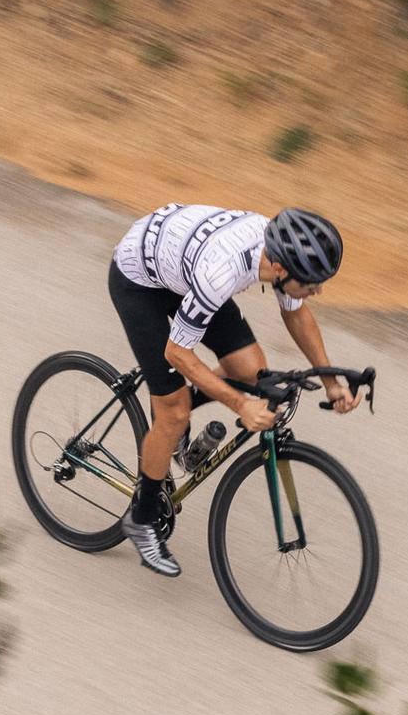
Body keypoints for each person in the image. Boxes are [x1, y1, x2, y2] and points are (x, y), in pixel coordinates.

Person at [109, 204, 361, 577]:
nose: (318, 290)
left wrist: (331, 383)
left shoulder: (279, 256)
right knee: (174, 411)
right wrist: (241, 405)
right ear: (280, 270)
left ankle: (175, 426)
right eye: (310, 283)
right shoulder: (223, 271)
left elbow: (296, 314)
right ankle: (141, 519)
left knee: (251, 370)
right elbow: (177, 352)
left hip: (183, 271)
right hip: (140, 282)